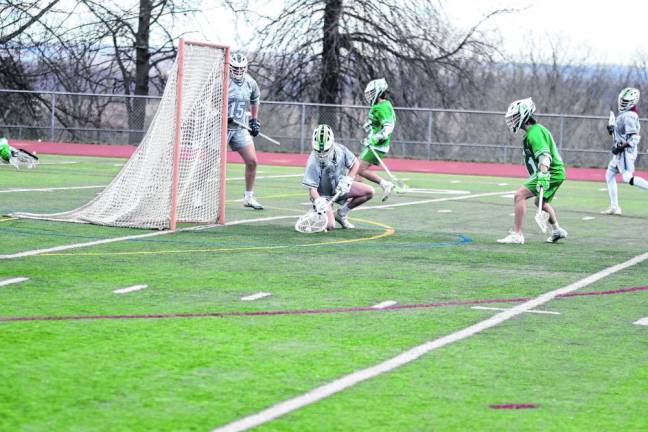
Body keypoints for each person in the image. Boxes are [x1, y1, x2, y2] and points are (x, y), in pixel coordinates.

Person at [497, 98, 568, 244]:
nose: (513, 120)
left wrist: (542, 175)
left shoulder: (534, 132)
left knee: (519, 195)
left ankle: (517, 235)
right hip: (556, 172)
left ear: (524, 115)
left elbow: (545, 157)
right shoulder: (536, 130)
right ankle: (556, 230)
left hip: (551, 171)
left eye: (515, 117)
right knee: (541, 203)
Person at [303, 124, 374, 230]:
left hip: (340, 187)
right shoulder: (313, 161)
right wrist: (318, 201)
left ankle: (341, 214)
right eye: (319, 151)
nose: (322, 154)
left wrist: (349, 179)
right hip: (322, 196)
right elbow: (312, 189)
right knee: (330, 226)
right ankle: (319, 214)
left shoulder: (340, 150)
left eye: (325, 150)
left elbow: (355, 163)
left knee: (369, 192)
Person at [601, 87, 648, 215]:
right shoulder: (625, 114)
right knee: (610, 174)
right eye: (622, 100)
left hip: (626, 153)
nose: (622, 103)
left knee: (628, 178)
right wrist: (612, 130)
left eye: (625, 101)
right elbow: (621, 134)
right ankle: (615, 207)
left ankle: (615, 206)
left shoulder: (629, 116)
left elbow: (634, 138)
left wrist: (620, 148)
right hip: (621, 152)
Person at [227, 52, 264, 210]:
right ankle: (198, 195)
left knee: (252, 161)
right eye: (235, 68)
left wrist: (254, 120)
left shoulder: (250, 82)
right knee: (211, 164)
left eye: (241, 68)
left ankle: (248, 197)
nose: (238, 71)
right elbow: (209, 103)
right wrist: (221, 115)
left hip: (240, 127)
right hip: (220, 128)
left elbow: (255, 99)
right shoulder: (221, 82)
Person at [357, 78, 396, 202]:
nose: (369, 96)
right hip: (375, 144)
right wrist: (370, 128)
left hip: (378, 145)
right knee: (356, 168)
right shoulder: (380, 106)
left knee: (359, 169)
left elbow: (388, 128)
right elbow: (377, 122)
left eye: (371, 93)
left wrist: (374, 138)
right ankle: (353, 193)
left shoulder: (382, 107)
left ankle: (385, 184)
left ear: (379, 92)